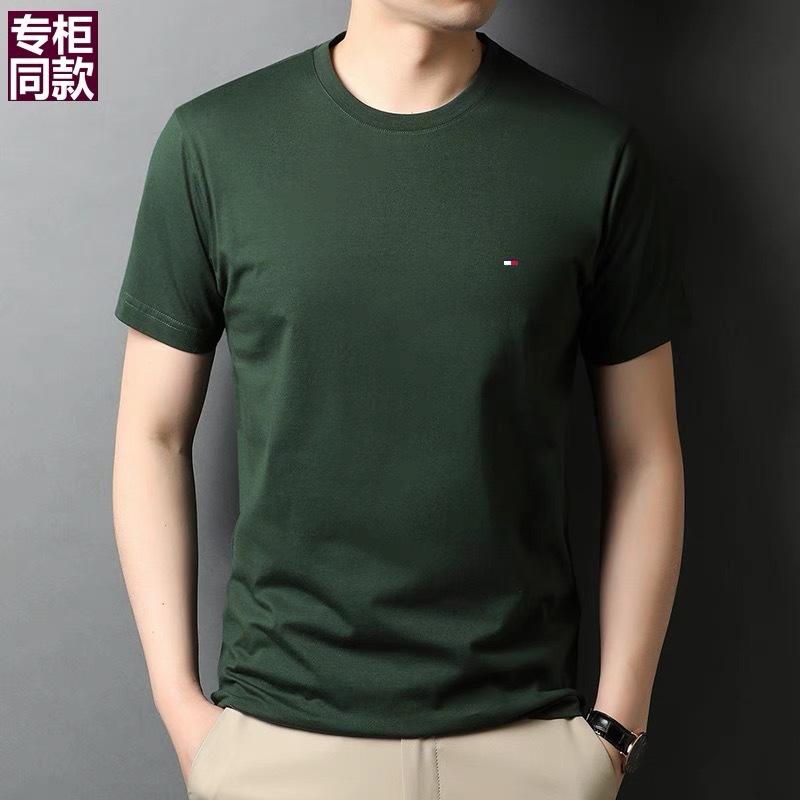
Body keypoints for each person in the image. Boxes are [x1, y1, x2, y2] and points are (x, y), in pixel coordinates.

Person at [112, 1, 691, 798]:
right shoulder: (214, 144)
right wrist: (184, 713)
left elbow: (647, 452)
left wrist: (615, 729)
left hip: (527, 745)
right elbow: (152, 434)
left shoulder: (592, 153)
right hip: (281, 741)